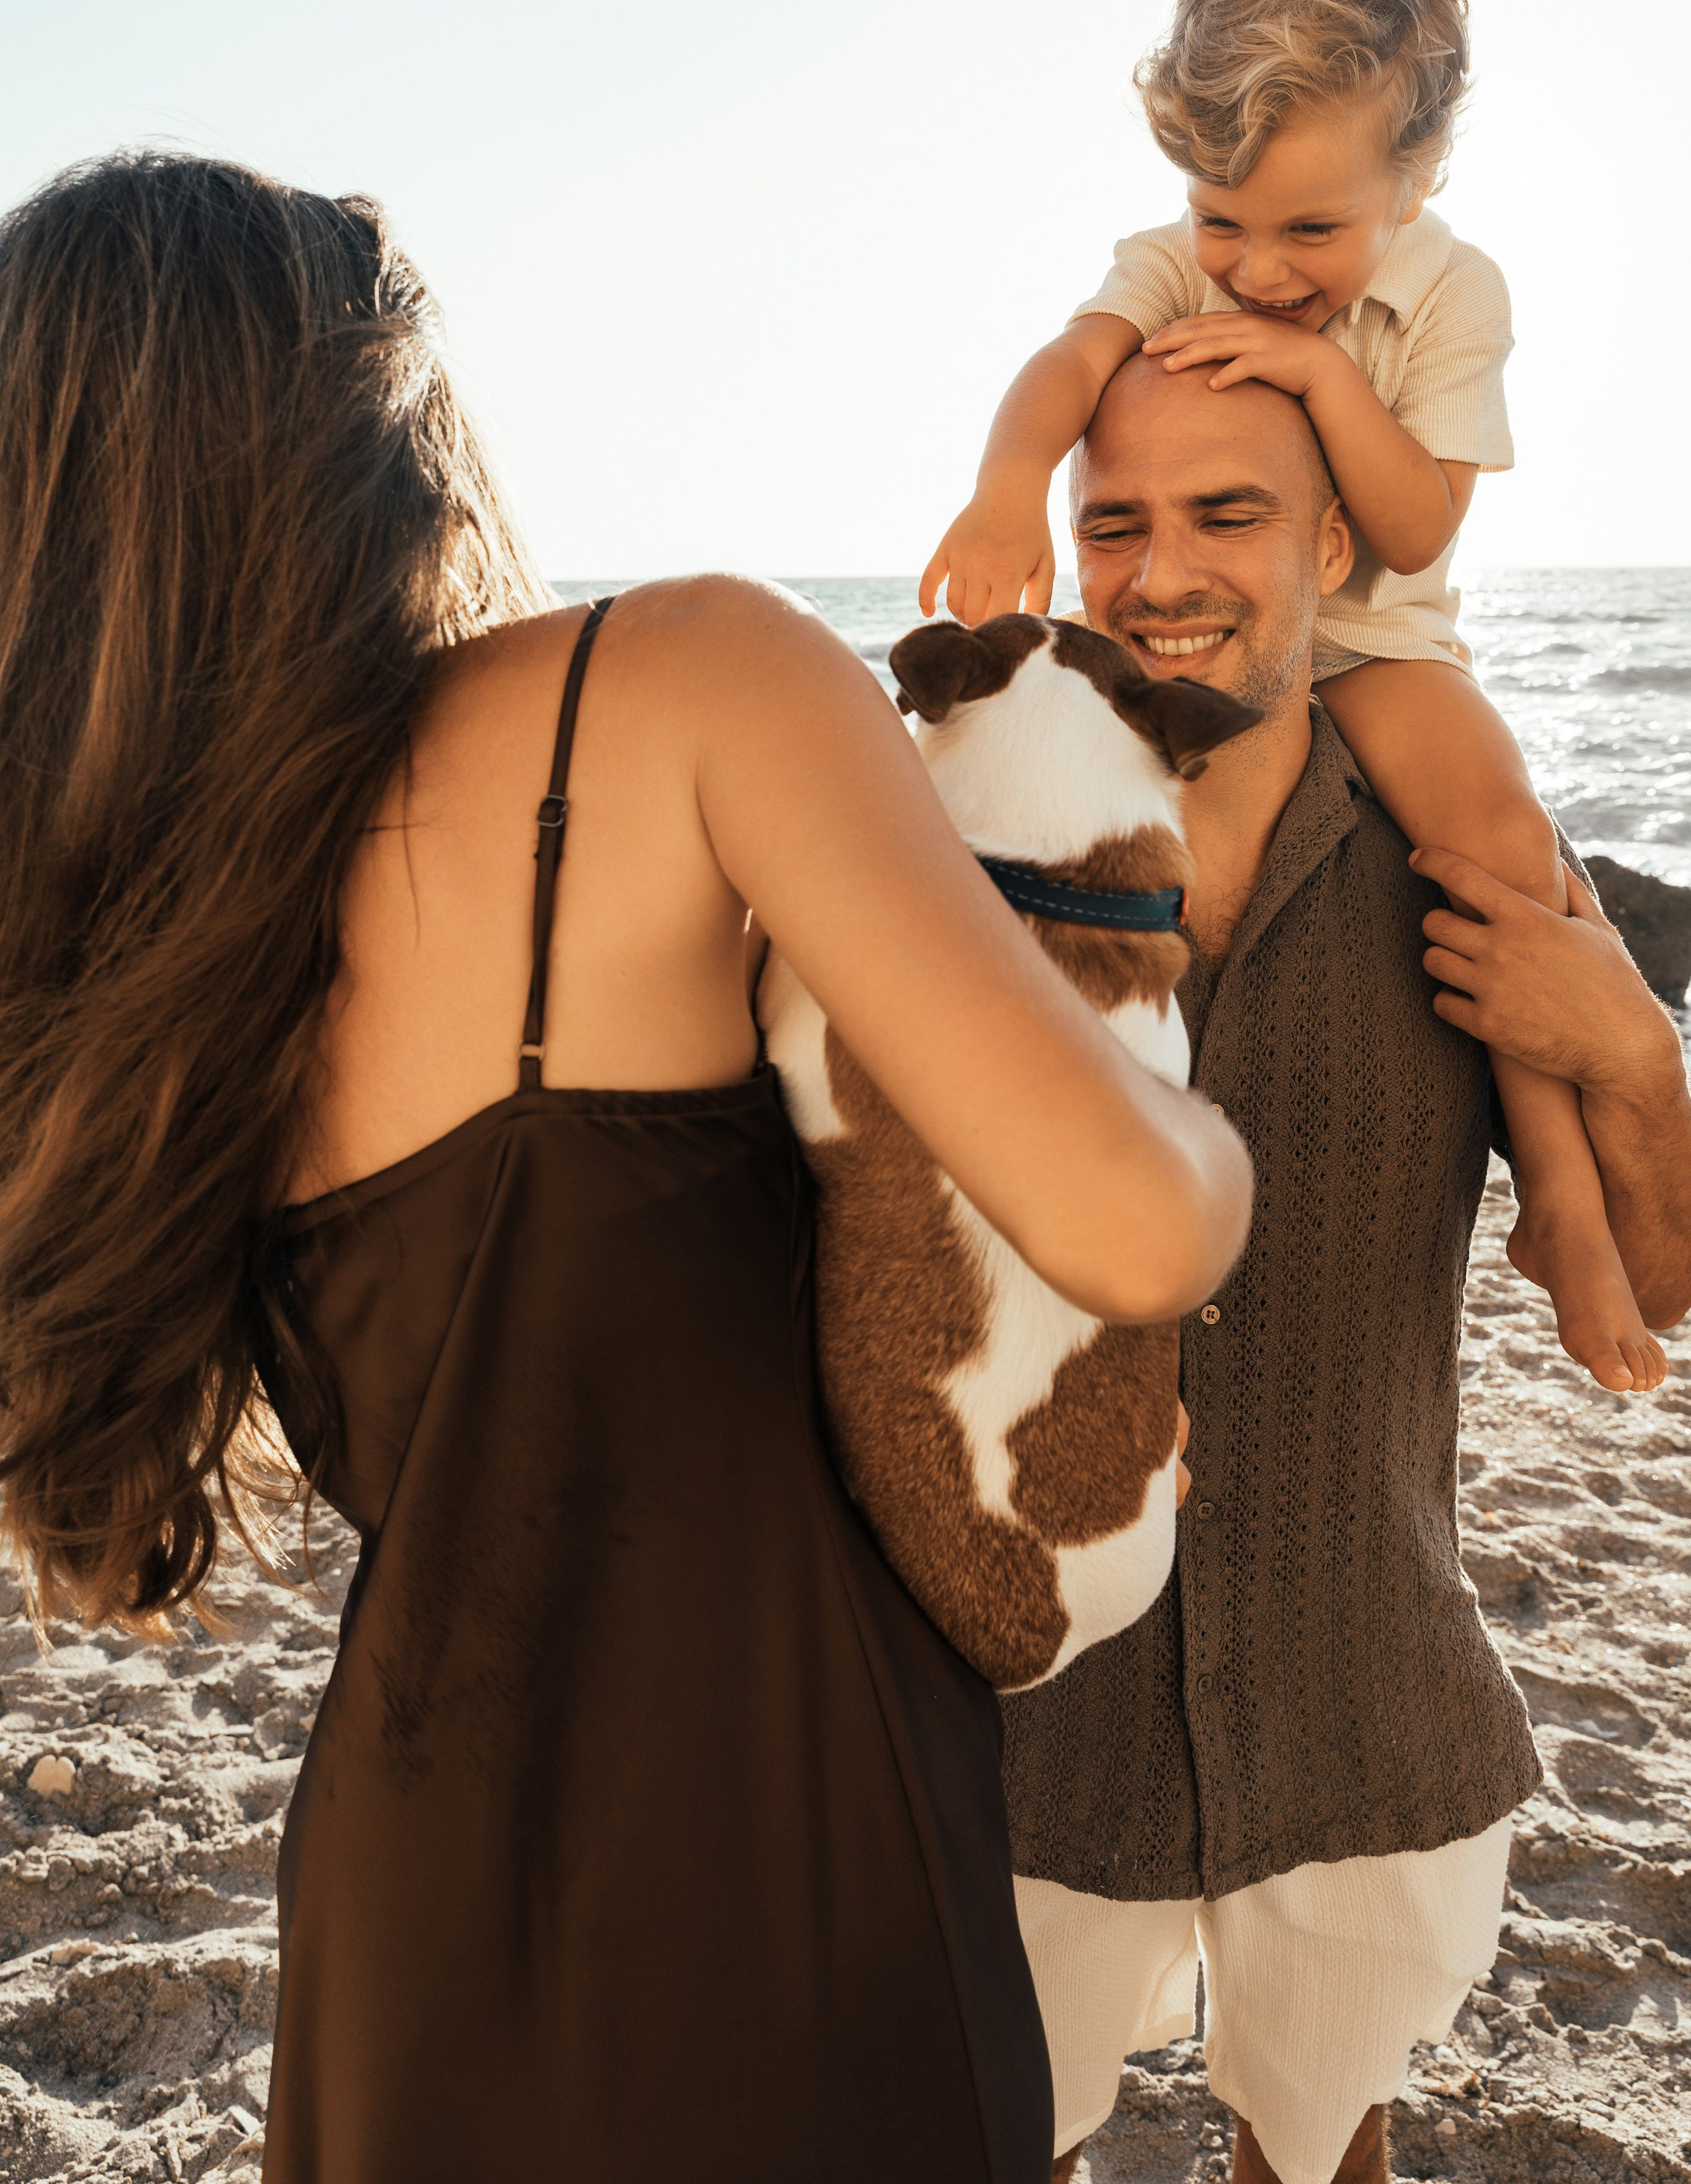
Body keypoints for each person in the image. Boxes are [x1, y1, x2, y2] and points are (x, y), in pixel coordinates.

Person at [0, 154, 1253, 2184]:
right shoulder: (674, 684)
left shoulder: (129, 951)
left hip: (408, 1932)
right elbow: (1132, 1221)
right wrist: (1200, 1118)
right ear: (383, 463)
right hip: (796, 1876)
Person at [998, 356, 1691, 2184]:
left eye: (1224, 514)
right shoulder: (973, 858)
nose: (1161, 571)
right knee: (993, 2138)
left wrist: (1629, 1053)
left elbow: (1652, 1278)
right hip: (1017, 1704)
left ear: (1331, 546)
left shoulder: (1462, 852)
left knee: (1325, 2158)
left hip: (1359, 1680)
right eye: (1112, 523)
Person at [921, 0, 1663, 1400]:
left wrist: (1318, 375)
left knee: (1495, 845)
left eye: (1310, 229)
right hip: (1207, 644)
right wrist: (1006, 488)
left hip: (1376, 636)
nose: (1255, 271)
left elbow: (1413, 530)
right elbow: (1067, 365)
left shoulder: (1453, 295)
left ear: (1418, 175)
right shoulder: (1174, 260)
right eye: (1223, 221)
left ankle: (1561, 1203)